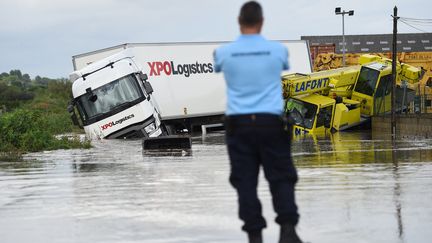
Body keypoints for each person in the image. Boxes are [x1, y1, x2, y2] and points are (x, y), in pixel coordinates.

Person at [213, 2, 303, 243]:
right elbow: (283, 67)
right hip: (271, 124)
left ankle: (254, 235)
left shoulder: (223, 53)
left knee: (245, 181)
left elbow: (217, 67)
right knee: (281, 177)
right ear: (261, 22)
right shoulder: (278, 50)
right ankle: (288, 231)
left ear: (239, 22)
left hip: (239, 126)